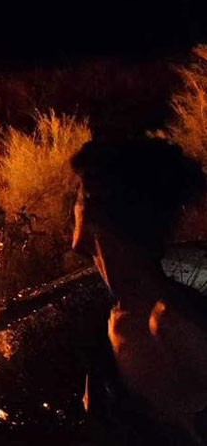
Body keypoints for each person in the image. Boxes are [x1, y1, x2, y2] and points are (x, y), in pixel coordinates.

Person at [71, 136, 207, 442]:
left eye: (76, 196)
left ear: (94, 207)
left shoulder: (171, 323)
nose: (73, 208)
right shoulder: (122, 317)